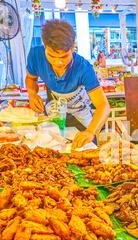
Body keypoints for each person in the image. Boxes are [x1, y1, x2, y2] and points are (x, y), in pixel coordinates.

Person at [25, 20, 110, 149]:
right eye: (52, 56)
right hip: (55, 116)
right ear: (44, 45)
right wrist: (32, 94)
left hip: (81, 117)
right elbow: (31, 79)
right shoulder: (35, 56)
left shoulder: (83, 68)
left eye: (64, 57)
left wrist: (90, 132)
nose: (58, 63)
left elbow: (103, 106)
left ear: (73, 47)